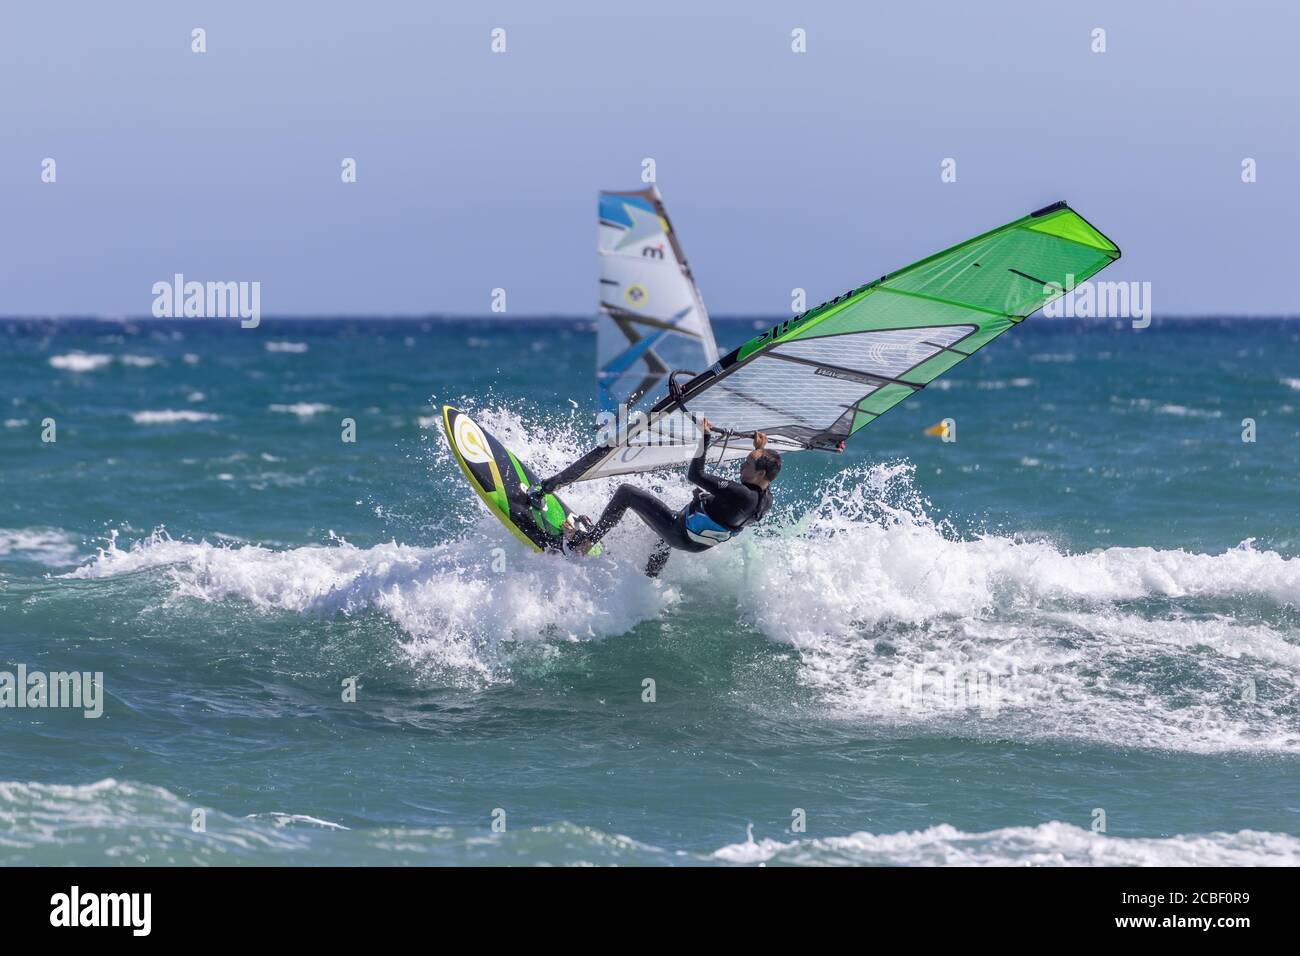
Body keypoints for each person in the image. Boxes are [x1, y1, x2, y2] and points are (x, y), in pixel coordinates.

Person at [564, 418, 780, 576]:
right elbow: (756, 479)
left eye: (748, 464)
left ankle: (586, 543)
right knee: (667, 527)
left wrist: (704, 438)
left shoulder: (741, 494)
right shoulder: (765, 500)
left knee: (626, 492)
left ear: (760, 473)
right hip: (696, 544)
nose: (742, 465)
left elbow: (696, 474)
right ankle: (650, 578)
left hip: (679, 532)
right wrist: (760, 451)